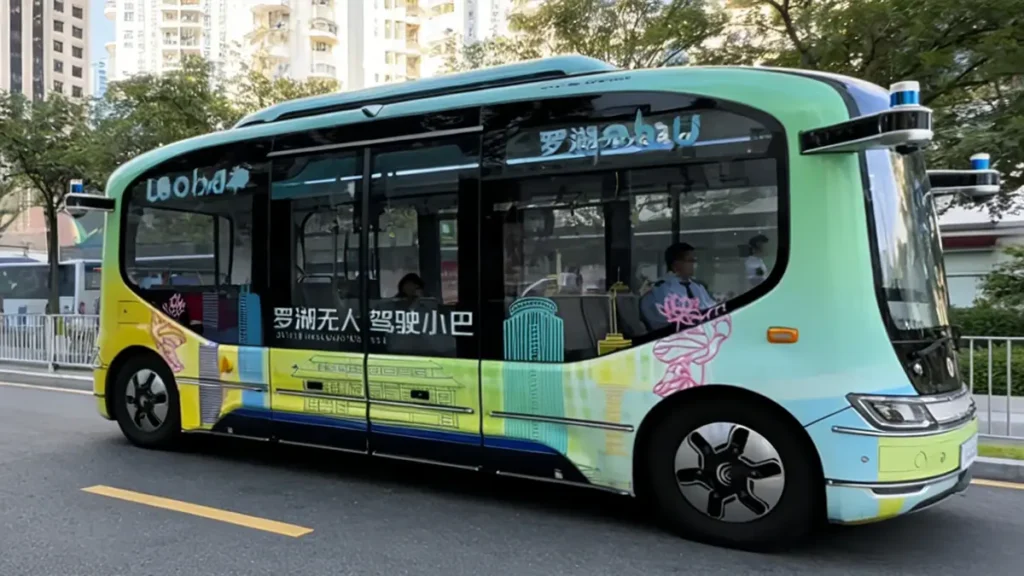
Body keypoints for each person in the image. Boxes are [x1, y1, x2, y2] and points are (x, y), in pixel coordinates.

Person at [640, 242, 717, 329]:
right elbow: (659, 320)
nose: (694, 265)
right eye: (690, 261)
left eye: (694, 261)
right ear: (676, 264)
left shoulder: (698, 287)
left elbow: (712, 309)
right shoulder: (661, 289)